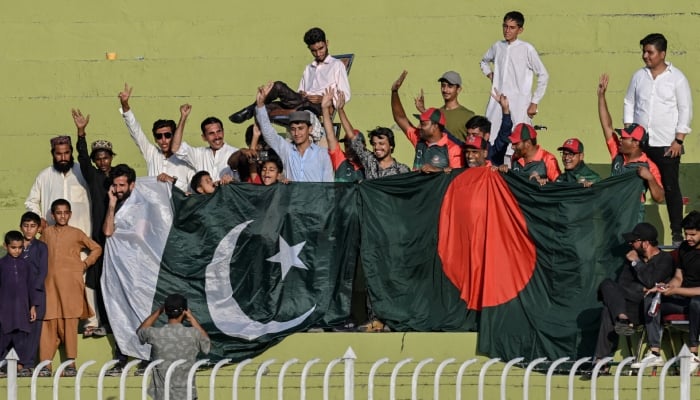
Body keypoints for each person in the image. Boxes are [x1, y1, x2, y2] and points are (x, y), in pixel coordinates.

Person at [623, 33, 693, 246]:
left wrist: (678, 141)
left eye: (650, 52)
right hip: (641, 143)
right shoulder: (639, 76)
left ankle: (677, 236)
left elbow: (685, 109)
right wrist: (629, 130)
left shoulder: (677, 77)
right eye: (644, 51)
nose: (646, 56)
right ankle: (631, 232)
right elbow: (629, 102)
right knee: (634, 186)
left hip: (667, 145)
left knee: (671, 188)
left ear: (662, 54)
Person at [586, 223, 673, 375]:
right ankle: (621, 319)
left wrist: (636, 263)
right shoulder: (632, 259)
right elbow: (623, 285)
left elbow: (651, 282)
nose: (630, 244)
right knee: (607, 285)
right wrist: (641, 287)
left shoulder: (665, 259)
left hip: (648, 309)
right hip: (627, 306)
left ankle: (601, 362)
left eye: (634, 241)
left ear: (645, 243)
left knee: (608, 310)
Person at [229, 27, 351, 124]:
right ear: (309, 48)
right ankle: (261, 140)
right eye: (313, 50)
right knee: (265, 108)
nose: (318, 53)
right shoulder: (309, 68)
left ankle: (248, 110)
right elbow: (300, 91)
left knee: (278, 86)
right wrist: (303, 93)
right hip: (302, 101)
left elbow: (345, 95)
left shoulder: (336, 65)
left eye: (321, 48)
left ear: (327, 43)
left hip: (319, 107)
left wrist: (324, 99)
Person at [38, 199, 102, 377]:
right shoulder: (46, 234)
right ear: (53, 215)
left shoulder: (76, 233)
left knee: (69, 322)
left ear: (70, 214)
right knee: (48, 323)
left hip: (70, 285)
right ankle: (45, 365)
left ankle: (71, 364)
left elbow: (96, 248)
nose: (62, 216)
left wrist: (85, 264)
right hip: (49, 285)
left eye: (66, 212)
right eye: (58, 213)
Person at [480, 11, 549, 162]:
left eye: (512, 27)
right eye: (505, 26)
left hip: (519, 105)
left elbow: (543, 75)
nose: (507, 30)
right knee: (492, 138)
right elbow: (484, 61)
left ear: (520, 30)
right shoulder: (498, 46)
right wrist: (491, 75)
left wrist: (534, 102)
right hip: (496, 104)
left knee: (518, 143)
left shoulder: (527, 49)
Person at [598, 74, 665, 215]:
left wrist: (650, 178)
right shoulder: (617, 153)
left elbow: (659, 198)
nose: (620, 140)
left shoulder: (649, 165)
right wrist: (601, 96)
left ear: (635, 143)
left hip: (632, 216)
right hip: (612, 213)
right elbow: (607, 126)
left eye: (625, 138)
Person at [644, 210, 700, 374]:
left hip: (697, 303)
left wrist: (677, 289)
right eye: (686, 234)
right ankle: (655, 351)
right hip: (683, 299)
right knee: (653, 298)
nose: (688, 238)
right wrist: (667, 287)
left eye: (693, 235)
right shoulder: (684, 247)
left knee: (697, 302)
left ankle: (693, 353)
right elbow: (678, 276)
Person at [73, 108, 111, 337]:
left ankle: (114, 322)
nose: (102, 161)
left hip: (119, 240)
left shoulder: (120, 175)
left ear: (111, 157)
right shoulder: (94, 176)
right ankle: (97, 322)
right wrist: (81, 134)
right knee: (97, 283)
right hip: (99, 238)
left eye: (105, 157)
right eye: (99, 159)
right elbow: (83, 159)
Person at [118, 84, 195, 192]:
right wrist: (125, 105)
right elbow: (135, 131)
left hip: (178, 207)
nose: (163, 140)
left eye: (167, 135)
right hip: (155, 207)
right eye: (159, 136)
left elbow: (193, 188)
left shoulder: (185, 158)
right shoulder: (152, 153)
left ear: (174, 136)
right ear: (155, 139)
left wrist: (172, 181)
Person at [255, 82, 334, 182]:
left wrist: (325, 108)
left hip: (314, 198)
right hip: (292, 198)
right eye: (293, 129)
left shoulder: (322, 154)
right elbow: (269, 134)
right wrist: (261, 105)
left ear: (310, 129)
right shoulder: (287, 150)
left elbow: (329, 185)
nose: (296, 133)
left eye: (301, 128)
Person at [137, 294, 210, 400]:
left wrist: (159, 311)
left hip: (163, 396)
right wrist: (191, 317)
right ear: (184, 311)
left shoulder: (156, 334)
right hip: (187, 395)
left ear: (166, 311)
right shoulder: (193, 334)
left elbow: (140, 331)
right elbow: (206, 345)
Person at [391, 70, 465, 173]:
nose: (419, 127)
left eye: (423, 124)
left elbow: (457, 176)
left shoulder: (453, 149)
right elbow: (400, 118)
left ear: (435, 126)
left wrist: (437, 170)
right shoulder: (419, 139)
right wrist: (394, 92)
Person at [25, 135, 91, 236]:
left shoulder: (83, 172)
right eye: (59, 154)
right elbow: (31, 201)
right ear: (53, 154)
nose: (63, 158)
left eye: (66, 153)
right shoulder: (44, 176)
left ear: (71, 152)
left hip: (82, 234)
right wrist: (39, 219)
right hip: (53, 237)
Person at [0, 230, 38, 377]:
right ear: (5, 246)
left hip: (22, 309)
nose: (17, 251)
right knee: (3, 337)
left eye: (20, 247)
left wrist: (33, 306)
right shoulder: (2, 265)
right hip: (5, 310)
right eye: (13, 247)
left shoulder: (26, 265)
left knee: (22, 338)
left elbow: (31, 286)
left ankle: (22, 366)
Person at [171, 105, 239, 184]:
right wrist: (183, 117)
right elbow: (175, 148)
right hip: (203, 196)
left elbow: (244, 182)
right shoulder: (198, 154)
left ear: (223, 132)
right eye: (211, 133)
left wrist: (232, 181)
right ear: (204, 137)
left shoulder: (235, 153)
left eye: (219, 131)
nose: (217, 136)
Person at [19, 212, 48, 373]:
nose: (29, 230)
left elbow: (42, 273)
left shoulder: (41, 247)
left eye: (32, 226)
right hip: (16, 296)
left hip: (36, 295)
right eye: (26, 226)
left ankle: (28, 364)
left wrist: (34, 303)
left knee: (33, 332)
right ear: (20, 227)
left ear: (38, 229)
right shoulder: (15, 246)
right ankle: (13, 363)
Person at [414, 71, 475, 140]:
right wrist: (423, 111)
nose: (445, 90)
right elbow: (421, 135)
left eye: (450, 86)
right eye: (443, 85)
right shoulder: (436, 114)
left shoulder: (468, 115)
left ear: (458, 89)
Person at [321, 88, 364, 182]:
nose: (348, 148)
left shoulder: (369, 164)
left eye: (351, 145)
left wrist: (340, 110)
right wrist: (325, 109)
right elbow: (330, 136)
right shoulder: (340, 159)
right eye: (346, 145)